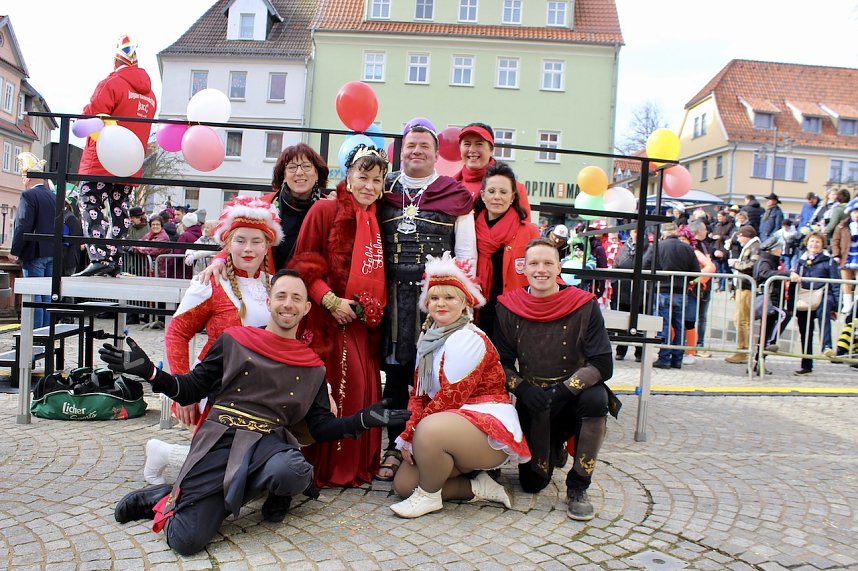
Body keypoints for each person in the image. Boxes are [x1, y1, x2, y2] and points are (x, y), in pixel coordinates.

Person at [105, 269, 410, 556]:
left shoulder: (312, 367)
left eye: (296, 298)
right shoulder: (235, 340)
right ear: (269, 302)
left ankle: (276, 493)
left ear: (306, 308)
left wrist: (362, 420)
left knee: (293, 470)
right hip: (219, 439)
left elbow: (319, 427)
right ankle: (165, 495)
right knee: (186, 541)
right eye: (281, 296)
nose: (287, 304)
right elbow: (190, 389)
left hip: (268, 444)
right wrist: (150, 372)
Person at [143, 198, 284, 485]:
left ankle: (166, 452)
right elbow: (177, 333)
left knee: (249, 459)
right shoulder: (209, 283)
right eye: (240, 240)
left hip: (261, 387)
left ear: (267, 245)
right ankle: (164, 453)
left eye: (256, 241)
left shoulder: (274, 284)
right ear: (227, 243)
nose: (248, 249)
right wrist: (183, 389)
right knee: (225, 465)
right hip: (217, 385)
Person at [388, 252, 531, 518]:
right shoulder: (428, 340)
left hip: (485, 424)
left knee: (429, 431)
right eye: (434, 298)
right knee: (404, 485)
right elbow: (419, 394)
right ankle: (476, 487)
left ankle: (429, 497)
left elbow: (450, 398)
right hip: (446, 424)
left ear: (464, 302)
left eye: (449, 297)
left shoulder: (467, 338)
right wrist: (408, 436)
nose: (441, 303)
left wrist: (413, 435)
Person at [376, 118, 476, 481]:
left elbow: (465, 253)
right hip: (390, 296)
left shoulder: (453, 193)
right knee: (396, 373)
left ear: (436, 154)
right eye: (410, 146)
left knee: (435, 373)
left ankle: (431, 444)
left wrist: (462, 302)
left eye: (424, 146)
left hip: (435, 299)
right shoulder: (383, 187)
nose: (416, 151)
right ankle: (393, 446)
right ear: (401, 151)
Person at [494, 238, 619, 521]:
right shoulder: (507, 307)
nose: (541, 270)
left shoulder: (584, 304)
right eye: (534, 263)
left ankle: (579, 486)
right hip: (534, 400)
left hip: (573, 396)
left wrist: (563, 390)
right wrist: (523, 389)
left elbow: (602, 363)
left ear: (559, 267)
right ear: (524, 268)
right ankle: (554, 448)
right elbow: (500, 363)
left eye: (548, 263)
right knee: (532, 483)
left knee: (596, 399)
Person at [288, 145, 389, 488]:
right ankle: (321, 468)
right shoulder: (325, 209)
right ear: (348, 175)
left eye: (377, 180)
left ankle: (356, 465)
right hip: (326, 322)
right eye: (363, 176)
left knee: (361, 390)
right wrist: (329, 300)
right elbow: (301, 264)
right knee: (331, 392)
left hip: (361, 326)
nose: (369, 186)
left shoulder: (378, 219)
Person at [74, 35, 157, 277]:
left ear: (115, 60)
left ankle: (99, 257)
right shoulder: (150, 95)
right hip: (130, 162)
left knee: (89, 202)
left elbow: (91, 115)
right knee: (120, 209)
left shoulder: (111, 83)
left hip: (101, 160)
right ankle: (115, 258)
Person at [200, 143, 330, 279]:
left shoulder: (330, 209)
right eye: (292, 167)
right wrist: (220, 260)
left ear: (317, 173)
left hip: (313, 288)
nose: (299, 172)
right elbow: (237, 238)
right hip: (266, 285)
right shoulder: (261, 206)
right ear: (284, 175)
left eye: (306, 166)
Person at [472, 161, 539, 340]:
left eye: (503, 192)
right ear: (483, 195)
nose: (497, 197)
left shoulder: (529, 231)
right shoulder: (469, 228)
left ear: (512, 197)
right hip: (477, 311)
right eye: (491, 191)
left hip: (514, 314)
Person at [641, 223, 700, 369]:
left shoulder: (657, 247)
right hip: (681, 291)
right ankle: (677, 358)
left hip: (662, 289)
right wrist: (685, 281)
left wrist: (654, 280)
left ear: (663, 233)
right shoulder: (687, 248)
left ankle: (664, 358)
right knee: (679, 325)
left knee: (664, 325)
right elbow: (696, 271)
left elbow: (645, 265)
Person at [9, 153, 56, 329]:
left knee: (34, 295)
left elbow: (23, 225)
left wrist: (15, 251)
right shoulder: (53, 196)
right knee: (47, 295)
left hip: (34, 252)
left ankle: (35, 334)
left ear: (27, 176)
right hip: (51, 251)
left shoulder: (28, 196)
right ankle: (46, 332)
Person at [791, 232, 840, 375]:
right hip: (805, 297)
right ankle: (806, 364)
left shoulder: (829, 261)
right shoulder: (800, 261)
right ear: (807, 243)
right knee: (805, 332)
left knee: (823, 311)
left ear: (822, 245)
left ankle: (826, 346)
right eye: (812, 241)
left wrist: (837, 305)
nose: (814, 244)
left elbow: (836, 284)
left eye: (818, 242)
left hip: (823, 295)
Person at [453, 122, 530, 212]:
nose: (472, 150)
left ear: (491, 149)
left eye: (479, 144)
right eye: (467, 144)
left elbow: (523, 220)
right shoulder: (449, 187)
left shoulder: (515, 189)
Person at [678, 223, 715, 363]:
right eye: (680, 239)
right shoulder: (677, 251)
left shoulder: (694, 252)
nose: (681, 242)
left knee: (689, 321)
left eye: (684, 239)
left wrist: (695, 280)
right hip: (676, 289)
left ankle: (690, 352)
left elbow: (710, 267)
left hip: (691, 292)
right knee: (675, 321)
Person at [725, 225, 760, 364]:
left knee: (741, 320)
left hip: (746, 287)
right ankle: (743, 349)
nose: (738, 239)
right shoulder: (751, 246)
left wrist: (735, 264)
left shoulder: (755, 246)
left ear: (745, 235)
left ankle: (743, 350)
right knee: (740, 319)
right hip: (742, 286)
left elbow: (752, 265)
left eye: (739, 236)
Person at [611, 229, 648, 362]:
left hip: (640, 291)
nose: (635, 234)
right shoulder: (625, 247)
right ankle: (621, 350)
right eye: (634, 231)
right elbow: (617, 263)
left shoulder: (647, 247)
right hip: (624, 290)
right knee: (623, 323)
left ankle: (639, 352)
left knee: (640, 322)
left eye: (638, 231)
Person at [831, 205, 858, 315]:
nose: (856, 215)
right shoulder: (842, 225)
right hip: (846, 255)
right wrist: (836, 254)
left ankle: (856, 304)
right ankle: (847, 304)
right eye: (855, 212)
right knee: (846, 281)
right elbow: (835, 240)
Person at [709, 209, 734, 291]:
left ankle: (723, 285)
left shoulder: (730, 225)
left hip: (724, 248)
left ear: (725, 217)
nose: (719, 218)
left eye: (720, 216)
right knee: (719, 269)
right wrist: (711, 236)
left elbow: (730, 237)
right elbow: (714, 234)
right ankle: (720, 285)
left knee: (724, 269)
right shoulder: (716, 225)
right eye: (718, 216)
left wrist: (721, 237)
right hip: (716, 248)